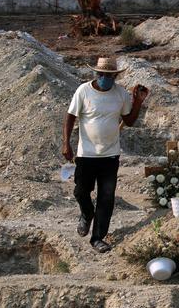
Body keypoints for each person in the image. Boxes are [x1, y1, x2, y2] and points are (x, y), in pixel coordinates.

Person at [62, 58, 149, 253]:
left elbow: (130, 120)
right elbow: (70, 117)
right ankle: (86, 213)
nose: (105, 78)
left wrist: (137, 102)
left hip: (110, 155)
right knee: (81, 191)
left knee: (106, 197)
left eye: (109, 75)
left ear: (115, 76)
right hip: (86, 154)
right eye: (101, 75)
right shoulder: (83, 91)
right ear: (96, 74)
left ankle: (98, 238)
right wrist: (66, 143)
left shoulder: (120, 94)